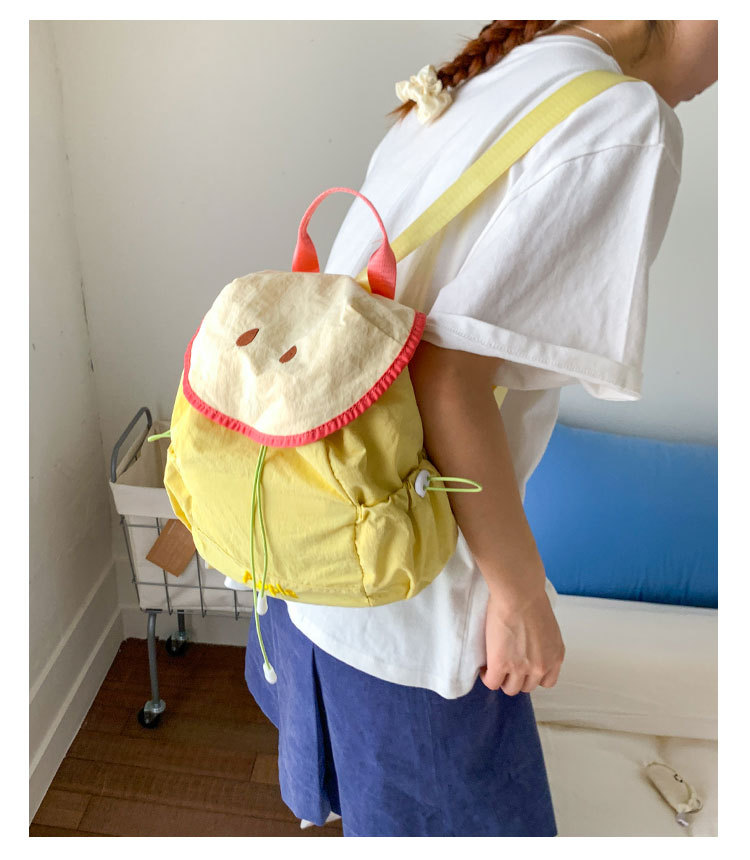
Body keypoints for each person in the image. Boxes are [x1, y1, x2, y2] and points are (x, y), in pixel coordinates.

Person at [244, 20, 718, 837]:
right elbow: (448, 380)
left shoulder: (500, 72)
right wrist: (521, 595)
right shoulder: (624, 116)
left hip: (311, 547)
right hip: (410, 602)